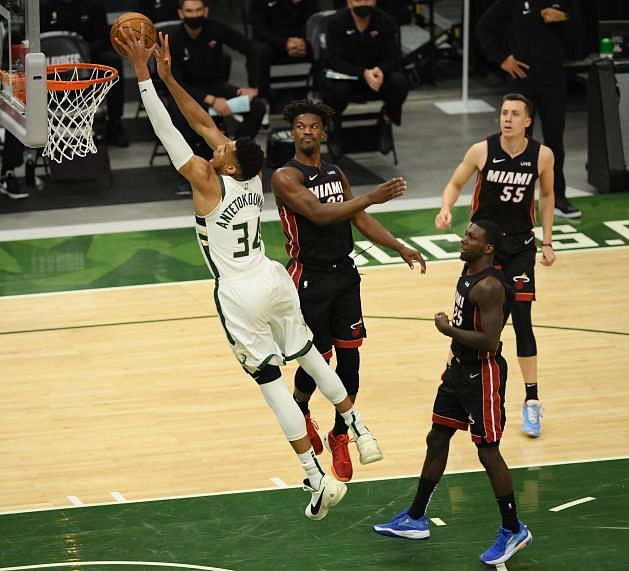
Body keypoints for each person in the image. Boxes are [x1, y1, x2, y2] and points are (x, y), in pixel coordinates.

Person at [116, 26, 396, 519]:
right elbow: (202, 122)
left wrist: (143, 77)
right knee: (310, 357)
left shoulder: (207, 181)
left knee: (270, 382)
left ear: (226, 164)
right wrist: (169, 75)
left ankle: (315, 479)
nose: (213, 150)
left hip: (240, 292)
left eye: (219, 151)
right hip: (274, 278)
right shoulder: (250, 174)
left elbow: (168, 129)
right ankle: (359, 428)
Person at [271, 98, 425, 482]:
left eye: (314, 126)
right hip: (309, 278)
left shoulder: (336, 173)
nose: (307, 131)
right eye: (301, 126)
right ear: (293, 133)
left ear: (324, 132)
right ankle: (301, 409)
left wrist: (399, 246)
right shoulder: (285, 177)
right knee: (317, 362)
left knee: (351, 360)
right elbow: (320, 214)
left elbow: (358, 216)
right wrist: (372, 196)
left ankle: (341, 434)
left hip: (345, 276)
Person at [373, 220, 533, 567]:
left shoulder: (490, 285)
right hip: (459, 371)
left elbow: (491, 341)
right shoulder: (469, 269)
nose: (464, 240)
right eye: (466, 234)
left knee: (488, 451)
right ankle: (415, 518)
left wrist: (448, 330)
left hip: (482, 374)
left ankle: (513, 528)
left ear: (488, 248)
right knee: (437, 436)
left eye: (472, 237)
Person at [434, 93, 556, 438]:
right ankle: (453, 376)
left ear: (527, 121)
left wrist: (547, 241)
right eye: (504, 113)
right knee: (466, 316)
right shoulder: (481, 150)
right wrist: (446, 208)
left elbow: (547, 197)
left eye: (515, 114)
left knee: (521, 320)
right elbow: (456, 183)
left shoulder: (542, 155)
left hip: (518, 247)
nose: (507, 118)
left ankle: (532, 400)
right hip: (483, 249)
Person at [476, 0, 582, 219]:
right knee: (516, 143)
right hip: (522, 83)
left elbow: (582, 39)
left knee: (555, 143)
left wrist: (564, 18)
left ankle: (557, 197)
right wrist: (501, 59)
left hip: (554, 81)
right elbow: (483, 27)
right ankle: (512, 201)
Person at [168, 0, 270, 156]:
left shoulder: (216, 28)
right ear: (181, 14)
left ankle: (237, 153)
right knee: (177, 114)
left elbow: (253, 49)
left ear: (206, 11)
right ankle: (190, 163)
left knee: (257, 107)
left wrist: (255, 88)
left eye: (198, 10)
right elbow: (176, 83)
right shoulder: (174, 40)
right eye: (189, 11)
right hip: (186, 94)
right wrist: (212, 100)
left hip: (216, 86)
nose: (194, 15)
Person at [320, 0, 409, 157]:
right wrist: (363, 73)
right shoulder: (336, 23)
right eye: (358, 0)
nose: (363, 3)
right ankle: (334, 127)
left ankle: (387, 120)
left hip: (376, 76)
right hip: (347, 76)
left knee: (399, 82)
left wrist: (380, 70)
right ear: (349, 2)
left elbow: (393, 57)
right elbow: (335, 61)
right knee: (335, 91)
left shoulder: (385, 21)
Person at [41, 0, 129, 147]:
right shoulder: (44, 7)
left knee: (113, 62)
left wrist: (80, 51)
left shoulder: (94, 6)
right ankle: (38, 127)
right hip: (53, 61)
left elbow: (103, 40)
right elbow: (38, 41)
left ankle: (115, 124)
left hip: (87, 57)